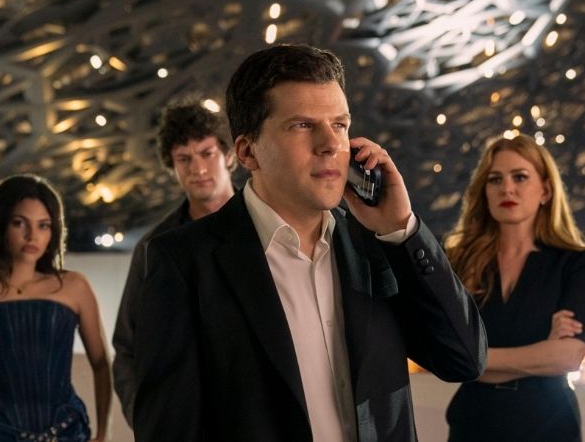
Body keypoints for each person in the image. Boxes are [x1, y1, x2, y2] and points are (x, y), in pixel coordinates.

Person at [128, 44, 487, 442]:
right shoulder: (182, 263)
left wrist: (402, 229)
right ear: (247, 151)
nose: (330, 144)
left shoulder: (380, 244)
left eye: (340, 125)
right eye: (302, 125)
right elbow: (168, 429)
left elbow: (464, 360)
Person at [443, 134, 585, 442]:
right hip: (474, 422)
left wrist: (476, 360)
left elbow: (568, 357)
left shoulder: (576, 262)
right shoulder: (457, 261)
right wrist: (541, 352)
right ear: (484, 192)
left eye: (519, 177)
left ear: (545, 190)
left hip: (548, 425)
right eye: (495, 179)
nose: (507, 188)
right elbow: (445, 352)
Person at [0, 174, 111, 442]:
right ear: (0, 224)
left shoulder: (75, 287)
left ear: (54, 231)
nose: (32, 235)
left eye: (43, 225)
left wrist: (102, 434)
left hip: (67, 432)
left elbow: (101, 364)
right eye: (19, 223)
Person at [112, 99, 235, 426]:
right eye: (184, 158)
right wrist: (147, 419)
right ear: (172, 165)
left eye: (207, 153)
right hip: (185, 422)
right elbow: (127, 347)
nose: (198, 169)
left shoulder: (266, 229)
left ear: (229, 155)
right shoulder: (153, 248)